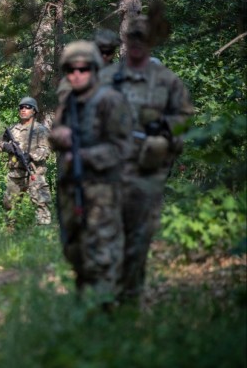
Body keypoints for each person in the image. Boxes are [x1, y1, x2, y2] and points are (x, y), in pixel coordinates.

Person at [99, 15, 194, 303]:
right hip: (111, 171)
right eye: (133, 38)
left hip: (147, 173)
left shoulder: (167, 80)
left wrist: (165, 140)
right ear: (126, 41)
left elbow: (184, 119)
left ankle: (130, 296)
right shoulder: (107, 78)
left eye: (144, 38)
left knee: (138, 239)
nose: (138, 44)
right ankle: (106, 297)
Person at [49, 41, 131, 302]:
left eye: (83, 69)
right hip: (71, 188)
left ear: (94, 69)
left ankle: (107, 312)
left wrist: (85, 156)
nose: (76, 74)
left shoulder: (110, 101)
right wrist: (58, 137)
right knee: (74, 251)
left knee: (102, 255)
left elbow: (125, 148)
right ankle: (86, 310)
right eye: (70, 69)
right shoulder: (69, 101)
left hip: (101, 190)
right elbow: (55, 135)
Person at [0, 97, 52, 225]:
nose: (23, 109)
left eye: (27, 107)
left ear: (34, 111)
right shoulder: (12, 129)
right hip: (15, 173)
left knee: (41, 202)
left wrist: (31, 156)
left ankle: (43, 232)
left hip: (34, 171)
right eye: (21, 107)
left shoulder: (40, 130)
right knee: (9, 203)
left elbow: (45, 150)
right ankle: (11, 231)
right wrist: (6, 146)